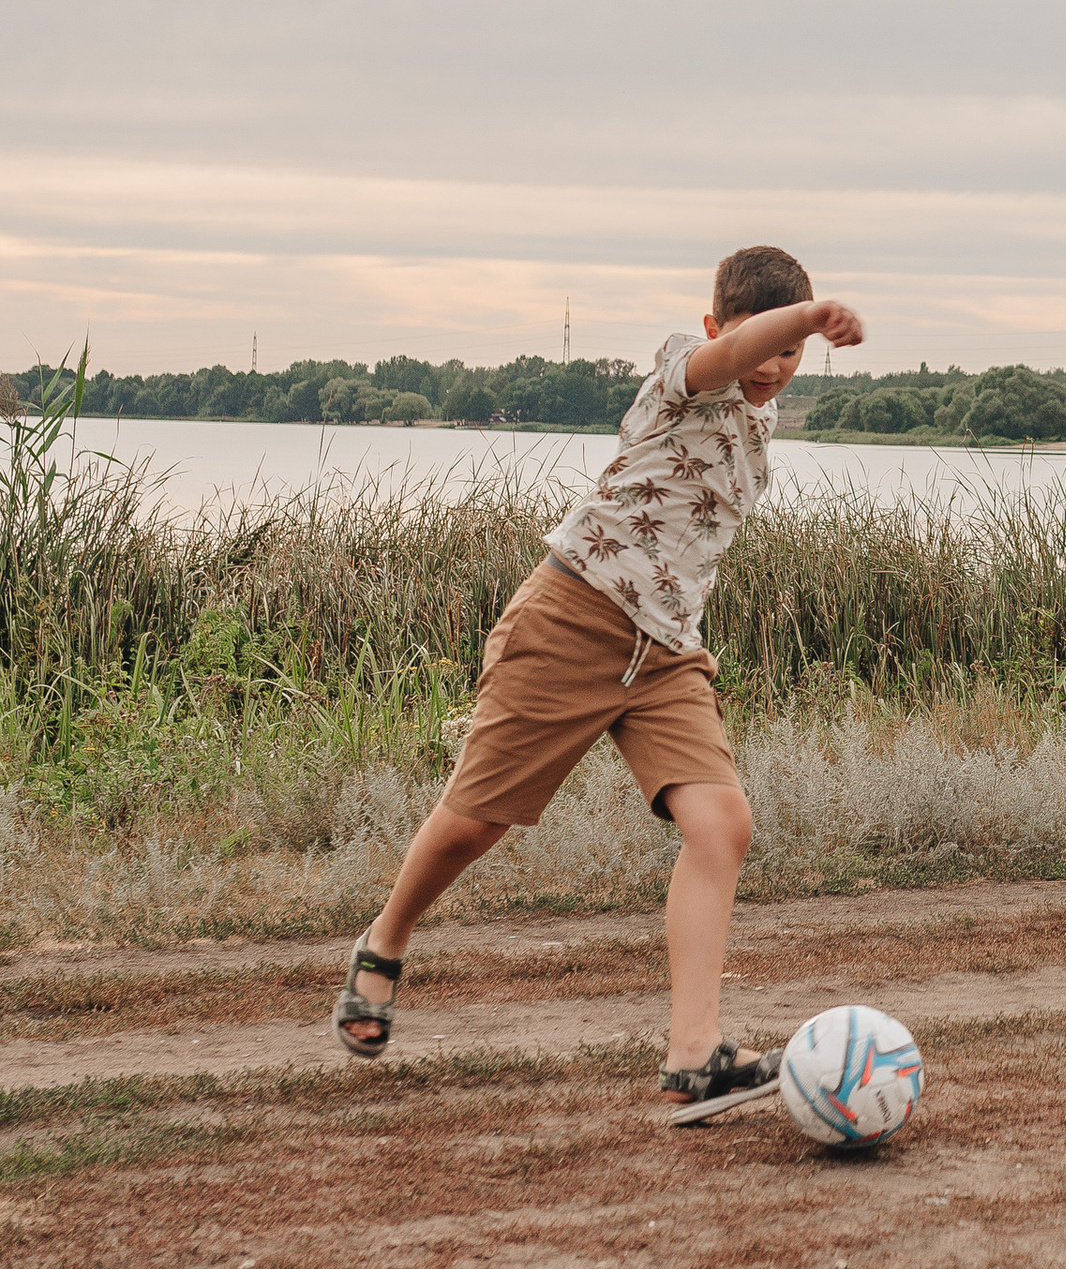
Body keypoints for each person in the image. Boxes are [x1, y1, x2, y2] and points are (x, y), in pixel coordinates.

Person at [329, 246, 864, 1118]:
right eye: (764, 344)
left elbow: (691, 541)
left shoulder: (760, 426)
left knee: (722, 824)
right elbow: (737, 357)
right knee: (474, 823)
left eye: (792, 356)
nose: (773, 366)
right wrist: (805, 318)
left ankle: (695, 1056)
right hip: (572, 621)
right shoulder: (682, 376)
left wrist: (690, 639)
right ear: (715, 330)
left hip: (664, 654)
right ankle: (384, 943)